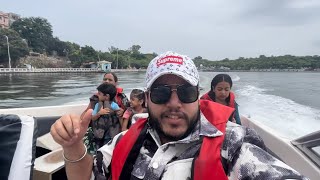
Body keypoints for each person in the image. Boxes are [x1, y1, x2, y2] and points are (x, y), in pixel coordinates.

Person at [50, 51, 308, 180]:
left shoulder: (234, 143)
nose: (174, 103)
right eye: (162, 93)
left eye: (185, 92)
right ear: (147, 97)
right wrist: (72, 147)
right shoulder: (124, 142)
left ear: (197, 95)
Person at [91, 83, 121, 150]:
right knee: (98, 148)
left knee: (107, 149)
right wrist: (99, 113)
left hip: (110, 134)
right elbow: (92, 118)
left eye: (99, 93)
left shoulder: (114, 106)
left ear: (107, 96)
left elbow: (119, 116)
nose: (97, 95)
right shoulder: (97, 105)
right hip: (99, 133)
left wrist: (120, 112)